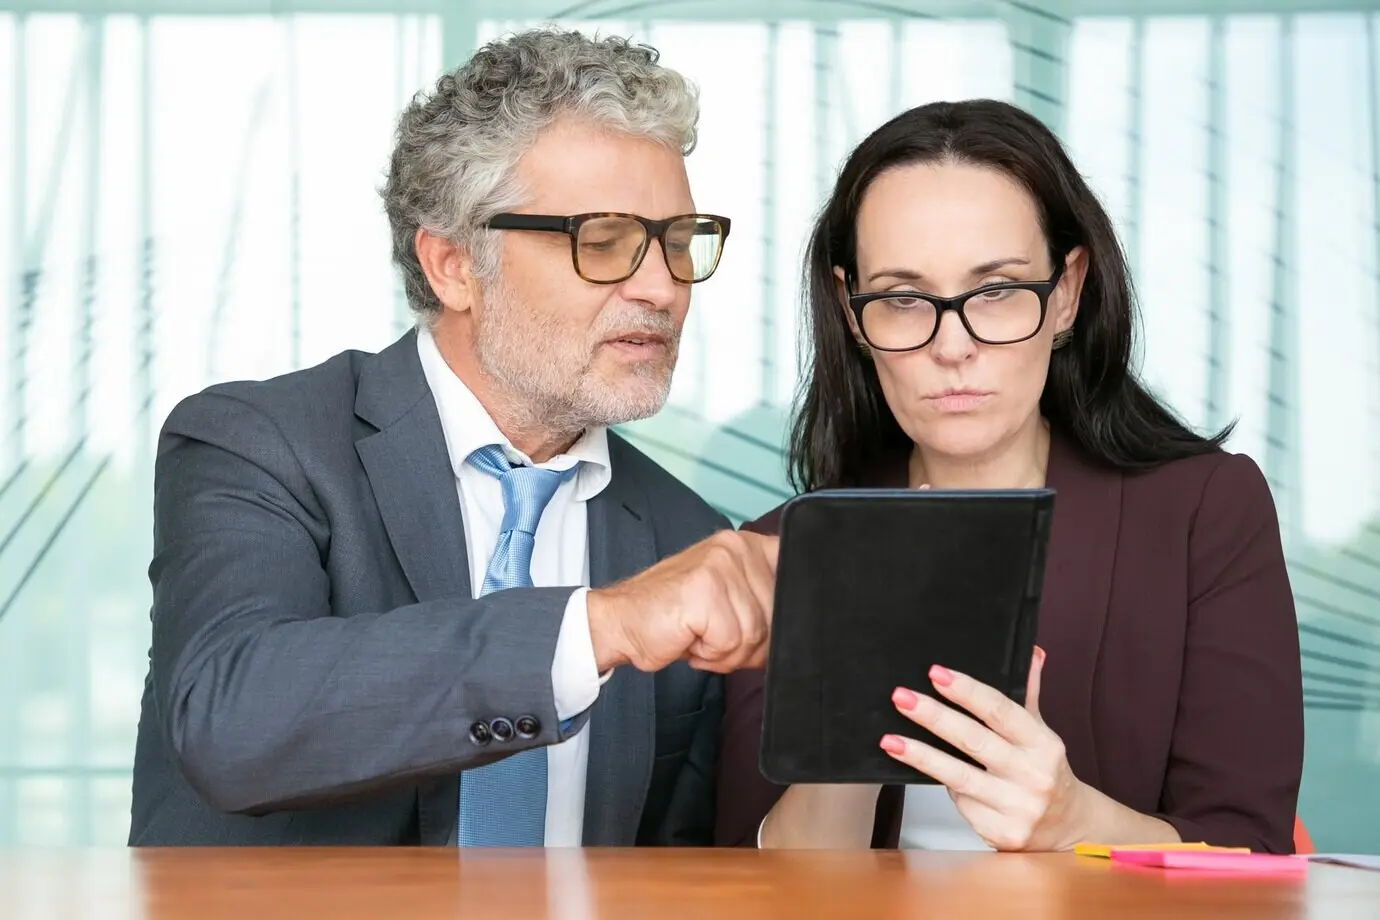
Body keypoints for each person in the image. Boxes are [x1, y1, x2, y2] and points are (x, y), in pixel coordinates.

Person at [129, 28, 778, 847]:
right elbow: (230, 718)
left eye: (678, 242)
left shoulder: (684, 534)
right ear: (452, 265)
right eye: (604, 241)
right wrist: (595, 628)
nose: (660, 287)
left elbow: (669, 864)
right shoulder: (259, 444)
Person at [714, 99, 1303, 854]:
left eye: (995, 291)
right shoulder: (780, 549)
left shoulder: (1203, 513)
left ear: (1065, 293)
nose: (952, 346)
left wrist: (1074, 822)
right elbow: (748, 878)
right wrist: (852, 670)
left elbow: (1253, 857)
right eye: (901, 298)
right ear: (852, 313)